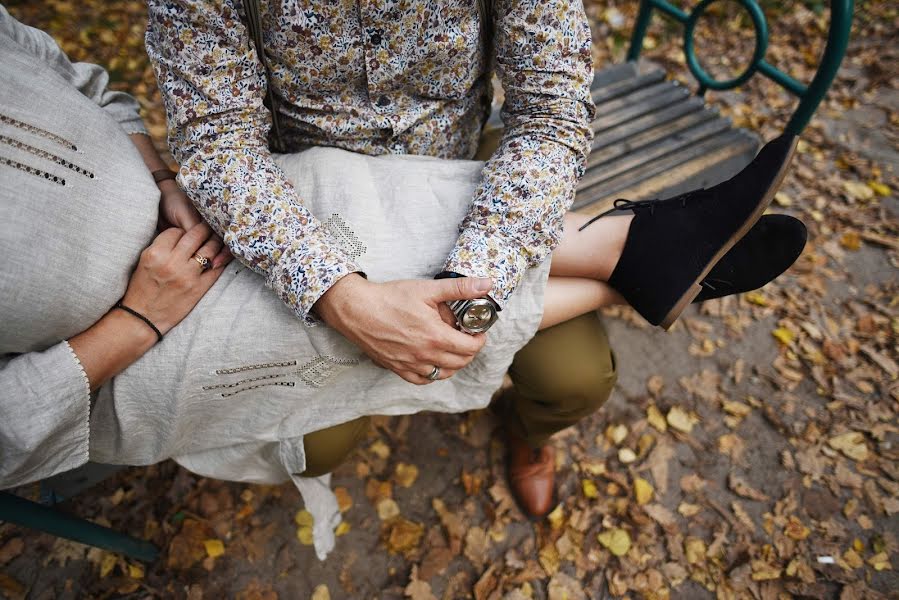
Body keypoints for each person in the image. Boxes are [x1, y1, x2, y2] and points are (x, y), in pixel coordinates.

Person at [144, 0, 807, 521]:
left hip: (468, 192)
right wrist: (339, 296)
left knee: (575, 380)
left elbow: (550, 114)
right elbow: (216, 147)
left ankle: (528, 429)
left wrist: (471, 287)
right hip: (309, 213)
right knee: (319, 443)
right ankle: (633, 262)